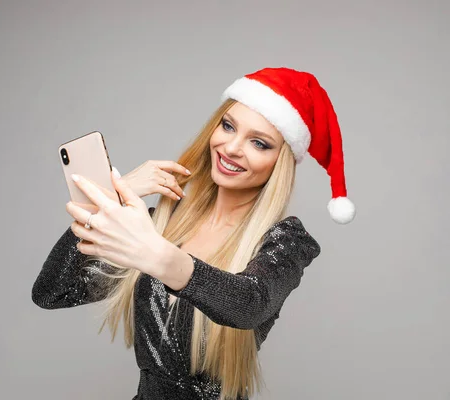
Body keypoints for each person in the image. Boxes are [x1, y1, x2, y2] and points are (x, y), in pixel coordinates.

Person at [31, 67, 356, 400]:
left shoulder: (284, 242)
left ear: (280, 162)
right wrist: (116, 194)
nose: (231, 148)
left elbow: (249, 303)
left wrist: (156, 255)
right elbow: (53, 292)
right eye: (228, 126)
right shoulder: (160, 226)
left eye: (259, 143)